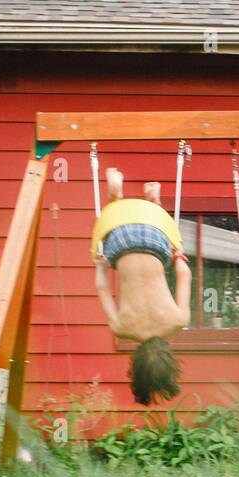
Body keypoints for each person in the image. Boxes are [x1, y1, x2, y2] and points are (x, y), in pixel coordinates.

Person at [91, 169, 191, 405]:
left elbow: (184, 276)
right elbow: (101, 289)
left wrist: (178, 256)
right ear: (136, 363)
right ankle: (115, 196)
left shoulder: (177, 320)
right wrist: (100, 267)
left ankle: (154, 201)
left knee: (162, 238)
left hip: (155, 241)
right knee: (112, 221)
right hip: (120, 244)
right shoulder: (121, 328)